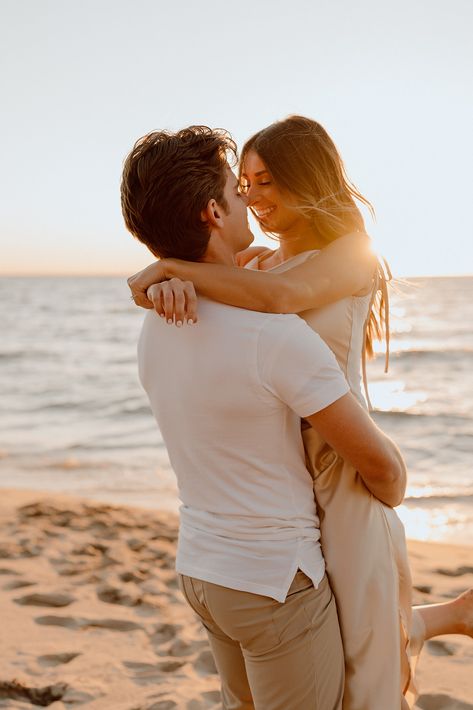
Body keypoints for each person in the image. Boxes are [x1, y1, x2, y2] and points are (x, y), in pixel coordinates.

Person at [127, 116, 473, 709]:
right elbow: (236, 307)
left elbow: (280, 303)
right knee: (337, 629)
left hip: (341, 467)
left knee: (363, 664)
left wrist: (170, 270)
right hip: (290, 475)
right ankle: (446, 616)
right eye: (245, 184)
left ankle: (439, 619)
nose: (255, 197)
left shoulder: (350, 256)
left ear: (307, 181)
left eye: (267, 181)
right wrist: (162, 287)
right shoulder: (256, 266)